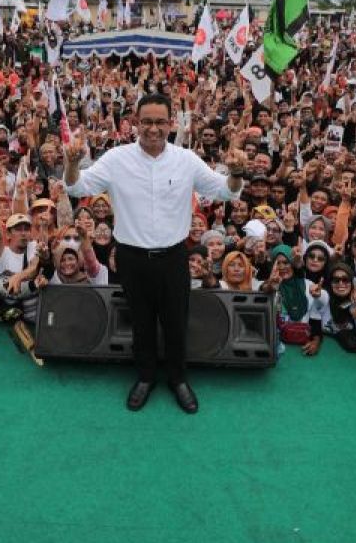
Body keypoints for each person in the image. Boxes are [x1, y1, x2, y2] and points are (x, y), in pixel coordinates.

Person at [63, 93, 246, 413]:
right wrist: (70, 165)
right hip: (132, 259)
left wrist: (236, 173)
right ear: (135, 122)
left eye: (160, 121)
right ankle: (146, 376)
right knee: (141, 322)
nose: (153, 128)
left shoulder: (185, 159)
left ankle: (178, 379)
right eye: (146, 121)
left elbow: (223, 190)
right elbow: (79, 188)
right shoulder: (117, 158)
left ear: (171, 123)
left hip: (174, 257)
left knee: (176, 322)